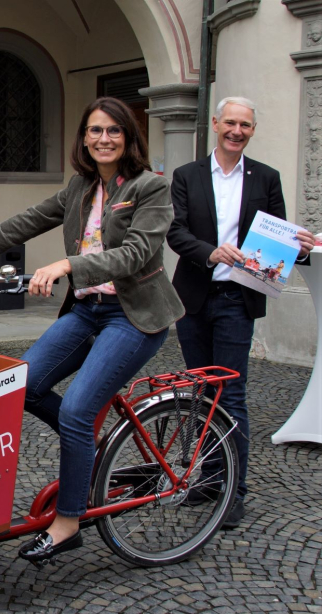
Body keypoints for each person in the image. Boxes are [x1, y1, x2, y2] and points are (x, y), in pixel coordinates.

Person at [0, 97, 183, 565]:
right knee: (20, 385)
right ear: (83, 138)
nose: (103, 139)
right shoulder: (80, 187)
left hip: (133, 316)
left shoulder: (151, 188)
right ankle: (84, 440)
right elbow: (23, 223)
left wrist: (68, 263)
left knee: (77, 413)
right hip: (89, 310)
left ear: (128, 137)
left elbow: (135, 255)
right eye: (95, 131)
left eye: (113, 131)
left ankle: (68, 522)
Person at [166, 96, 315, 529]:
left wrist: (297, 246)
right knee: (201, 394)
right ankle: (207, 481)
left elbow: (279, 236)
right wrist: (211, 253)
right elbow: (176, 232)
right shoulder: (186, 175)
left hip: (237, 300)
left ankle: (234, 491)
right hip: (194, 298)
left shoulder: (266, 177)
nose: (236, 130)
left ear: (252, 130)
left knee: (230, 396)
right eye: (230, 122)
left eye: (245, 125)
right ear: (215, 124)